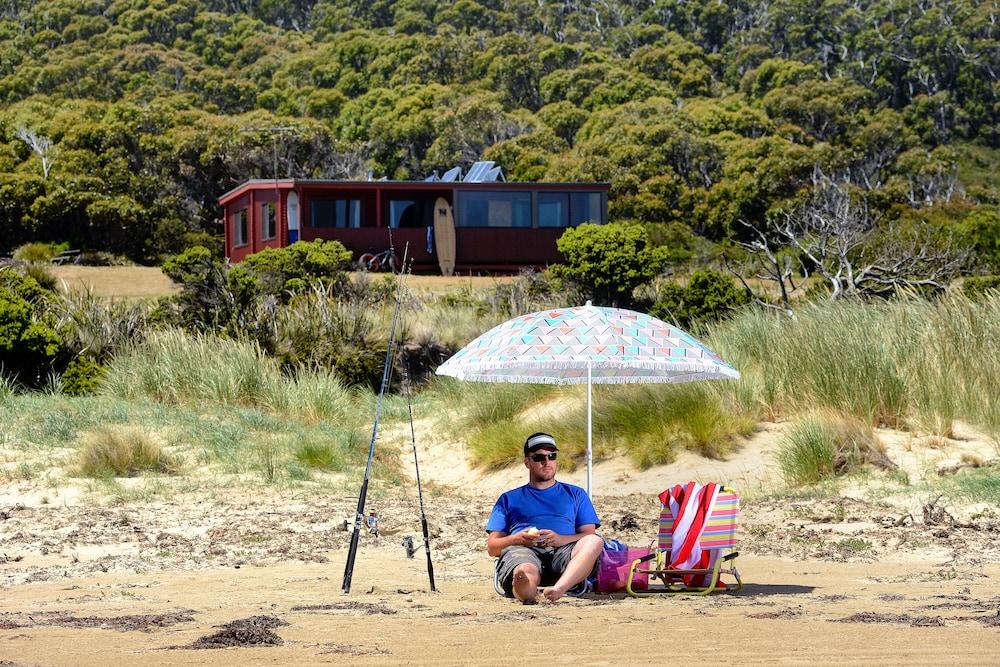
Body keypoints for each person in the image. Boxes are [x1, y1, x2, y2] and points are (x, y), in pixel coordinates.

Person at [485, 432, 603, 603]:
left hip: (565, 552)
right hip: (524, 550)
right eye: (539, 457)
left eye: (551, 456)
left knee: (594, 541)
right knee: (525, 569)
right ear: (527, 462)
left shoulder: (576, 494)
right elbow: (492, 548)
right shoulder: (508, 499)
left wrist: (561, 539)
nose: (546, 462)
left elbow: (588, 534)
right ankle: (525, 588)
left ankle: (558, 589)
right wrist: (517, 539)